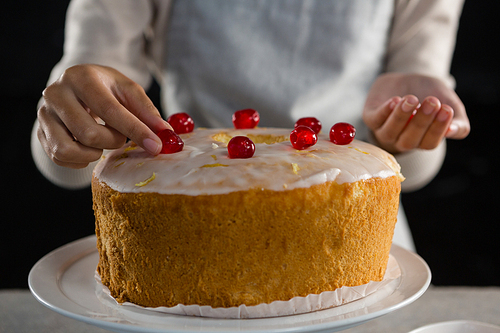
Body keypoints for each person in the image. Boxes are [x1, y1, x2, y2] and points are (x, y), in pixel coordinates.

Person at [32, 0, 470, 251]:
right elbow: (71, 147)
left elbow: (416, 170)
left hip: (348, 227)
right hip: (183, 225)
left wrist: (406, 135)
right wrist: (71, 124)